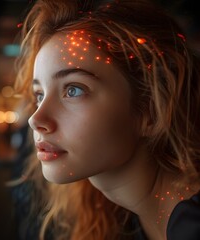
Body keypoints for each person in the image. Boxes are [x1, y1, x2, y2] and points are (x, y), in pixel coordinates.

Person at [14, 0, 200, 239]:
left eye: (73, 90)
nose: (35, 119)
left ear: (152, 110)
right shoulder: (121, 220)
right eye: (39, 95)